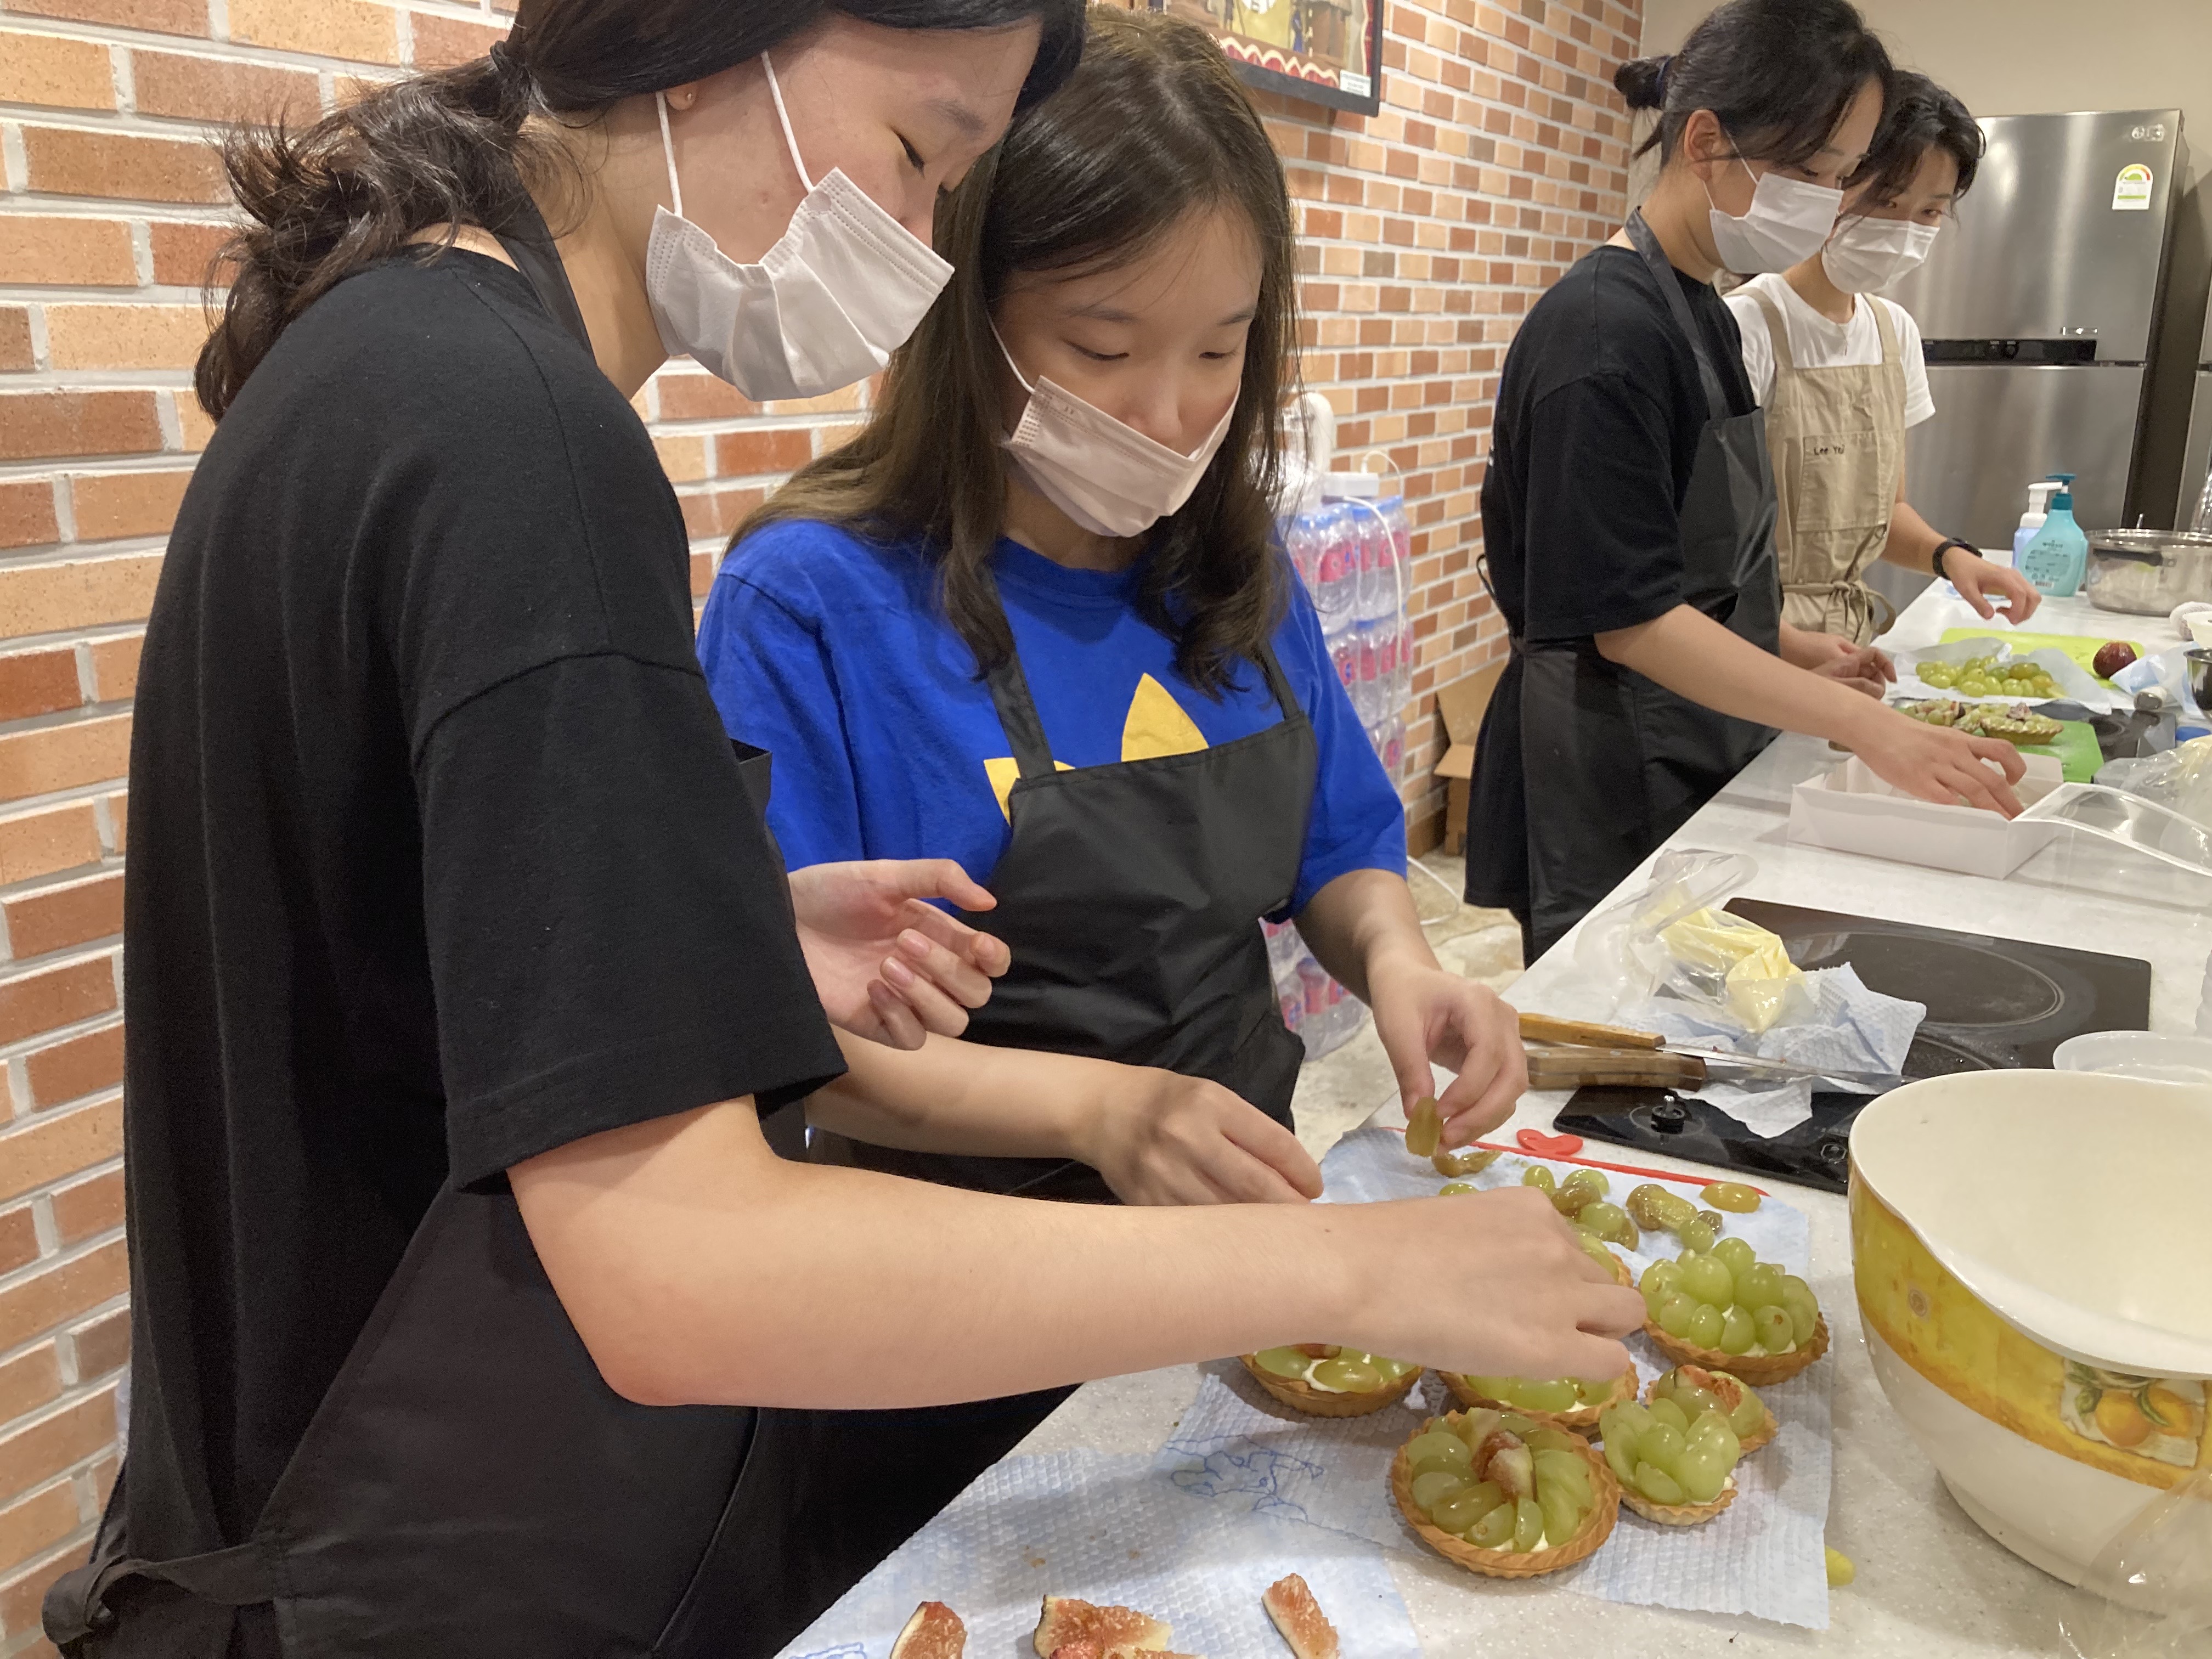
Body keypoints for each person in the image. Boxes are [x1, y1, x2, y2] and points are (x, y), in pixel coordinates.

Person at [59, 2, 1643, 1653]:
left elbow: (414, 951)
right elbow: (679, 1268)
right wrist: (1365, 1274)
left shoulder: (392, 355)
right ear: (702, 35)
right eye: (914, 153)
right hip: (406, 1556)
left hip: (336, 1503)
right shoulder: (523, 446)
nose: (909, 248)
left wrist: (725, 938)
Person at [693, 4, 1548, 1518]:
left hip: (1246, 1244)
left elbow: (1341, 846)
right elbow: (784, 1039)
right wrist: (1102, 1110)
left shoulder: (1233, 562)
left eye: (1220, 350)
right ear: (966, 313)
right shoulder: (812, 599)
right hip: (952, 1298)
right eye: (1103, 347)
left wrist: (1402, 967)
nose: (1169, 414)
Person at [1463, 0, 2027, 963]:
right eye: (1813, 173)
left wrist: (1789, 647)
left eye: (1840, 177)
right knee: (1626, 1010)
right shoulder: (1602, 334)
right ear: (1705, 143)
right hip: (1604, 760)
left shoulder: (1697, 311)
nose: (1827, 201)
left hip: (1691, 731)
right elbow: (1629, 617)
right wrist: (1865, 726)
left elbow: (1688, 563)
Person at [1726, 72, 2041, 643]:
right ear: (1836, 183)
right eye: (1888, 201)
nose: (1904, 230)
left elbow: (1881, 516)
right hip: (1749, 635)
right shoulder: (1748, 326)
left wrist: (1951, 557)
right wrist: (1788, 645)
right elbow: (1706, 541)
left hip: (1847, 636)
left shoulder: (1893, 333)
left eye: (1930, 213)